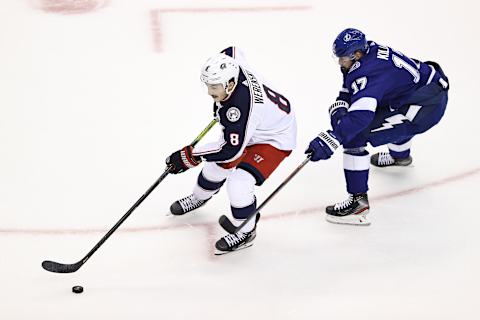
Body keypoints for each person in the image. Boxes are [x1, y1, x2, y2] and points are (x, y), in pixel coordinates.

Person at [306, 28, 449, 226]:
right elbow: (351, 90)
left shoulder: (368, 72)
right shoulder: (367, 53)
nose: (340, 62)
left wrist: (334, 136)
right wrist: (340, 109)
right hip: (423, 93)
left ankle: (357, 205)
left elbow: (359, 118)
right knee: (386, 109)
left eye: (343, 58)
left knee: (354, 137)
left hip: (425, 107)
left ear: (356, 54)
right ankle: (400, 156)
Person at [166, 47, 297, 254]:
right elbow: (233, 50)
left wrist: (189, 156)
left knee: (239, 183)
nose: (210, 92)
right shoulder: (234, 67)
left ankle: (246, 231)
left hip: (275, 138)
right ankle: (199, 197)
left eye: (214, 87)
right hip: (256, 126)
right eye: (208, 85)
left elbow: (230, 150)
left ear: (230, 83)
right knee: (214, 169)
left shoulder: (240, 109)